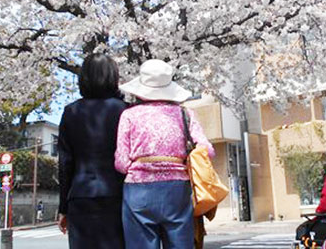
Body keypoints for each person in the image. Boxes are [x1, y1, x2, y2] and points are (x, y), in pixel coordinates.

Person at [115, 59, 215, 249]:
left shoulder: (129, 115)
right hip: (177, 189)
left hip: (138, 190)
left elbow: (120, 162)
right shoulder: (185, 114)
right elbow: (207, 150)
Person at [57, 53, 127, 249]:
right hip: (119, 195)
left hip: (81, 195)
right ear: (113, 77)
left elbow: (65, 163)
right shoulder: (126, 111)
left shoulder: (71, 112)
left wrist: (63, 208)